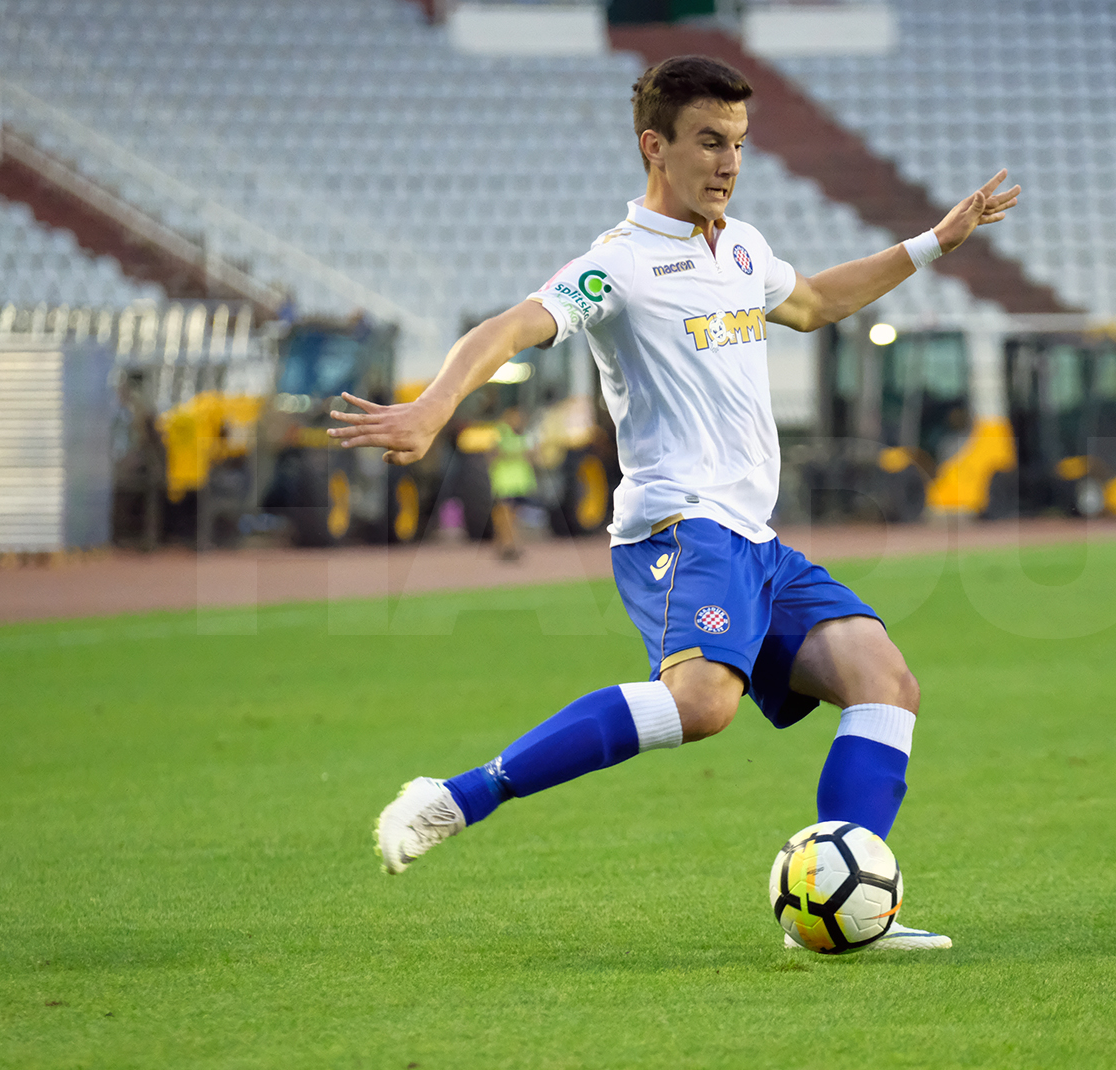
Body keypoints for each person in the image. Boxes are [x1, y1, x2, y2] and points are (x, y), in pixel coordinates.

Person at [328, 55, 1019, 951]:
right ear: (655, 146)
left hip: (753, 538)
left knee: (885, 684)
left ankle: (851, 905)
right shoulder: (617, 267)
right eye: (708, 142)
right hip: (676, 527)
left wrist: (934, 244)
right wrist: (432, 407)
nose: (728, 162)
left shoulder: (741, 248)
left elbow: (811, 304)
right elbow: (510, 327)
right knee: (702, 704)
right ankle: (456, 798)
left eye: (737, 143)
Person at [487, 406, 536, 560]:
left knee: (512, 515)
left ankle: (503, 545)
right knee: (504, 514)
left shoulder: (523, 434)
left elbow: (533, 455)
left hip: (518, 483)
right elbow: (495, 452)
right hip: (504, 482)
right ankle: (509, 545)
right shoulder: (502, 433)